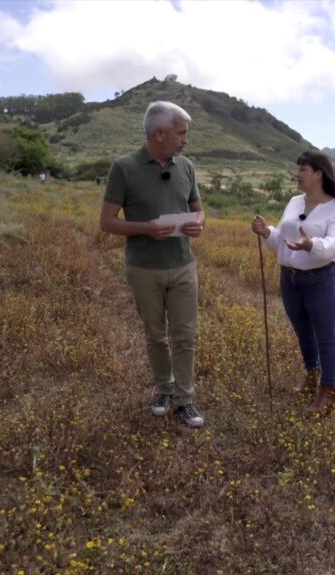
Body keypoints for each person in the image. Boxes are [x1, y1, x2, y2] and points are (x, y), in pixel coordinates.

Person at [100, 101, 206, 428]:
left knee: (185, 335)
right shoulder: (124, 167)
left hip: (183, 264)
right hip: (144, 268)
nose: (185, 140)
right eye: (181, 133)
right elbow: (107, 222)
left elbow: (199, 211)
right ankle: (163, 387)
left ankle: (185, 399)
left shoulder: (186, 166)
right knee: (155, 335)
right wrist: (148, 228)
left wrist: (197, 224)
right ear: (159, 133)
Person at [251, 151, 335, 414]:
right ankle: (311, 375)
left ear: (318, 174)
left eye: (302, 170)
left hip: (320, 279)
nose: (297, 175)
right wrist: (267, 233)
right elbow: (282, 242)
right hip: (289, 278)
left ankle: (328, 390)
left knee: (325, 337)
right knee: (303, 333)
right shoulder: (295, 202)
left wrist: (311, 245)